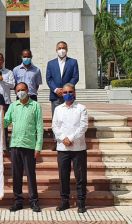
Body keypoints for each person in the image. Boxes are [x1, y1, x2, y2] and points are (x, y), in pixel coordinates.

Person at [4, 82, 43, 213]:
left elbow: (39, 128)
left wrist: (38, 147)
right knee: (16, 175)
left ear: (28, 90)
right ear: (15, 92)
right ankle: (18, 201)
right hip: (15, 145)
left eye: (23, 89)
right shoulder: (13, 106)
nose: (21, 92)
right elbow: (5, 122)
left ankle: (34, 201)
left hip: (29, 145)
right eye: (18, 90)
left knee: (31, 175)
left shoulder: (36, 106)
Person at [52, 83, 88, 213]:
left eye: (70, 92)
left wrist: (71, 138)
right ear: (62, 94)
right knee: (63, 176)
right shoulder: (58, 109)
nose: (68, 94)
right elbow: (55, 126)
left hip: (78, 148)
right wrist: (63, 138)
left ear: (75, 93)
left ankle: (81, 202)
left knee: (81, 177)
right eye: (65, 92)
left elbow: (83, 127)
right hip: (63, 148)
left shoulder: (81, 108)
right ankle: (64, 202)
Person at [46, 41, 79, 117]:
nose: (61, 50)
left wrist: (66, 89)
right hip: (55, 95)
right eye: (59, 48)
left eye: (63, 48)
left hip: (69, 95)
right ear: (56, 50)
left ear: (67, 49)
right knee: (56, 117)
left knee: (70, 116)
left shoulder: (73, 62)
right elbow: (49, 79)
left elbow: (75, 77)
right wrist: (56, 89)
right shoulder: (50, 63)